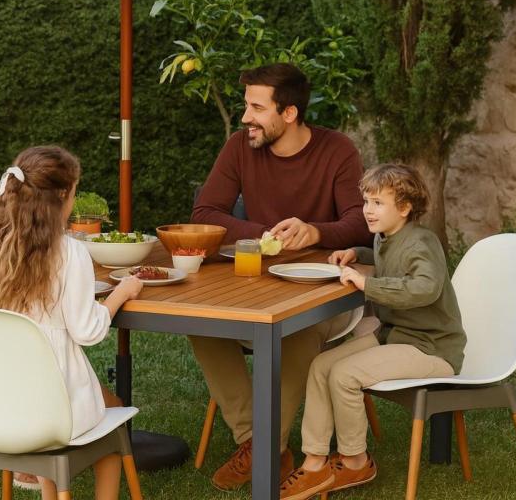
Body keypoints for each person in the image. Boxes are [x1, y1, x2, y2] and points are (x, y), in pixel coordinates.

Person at [190, 63, 372, 490]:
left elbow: (361, 224)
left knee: (296, 331)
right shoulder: (240, 147)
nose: (245, 117)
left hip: (325, 292)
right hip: (256, 284)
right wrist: (263, 234)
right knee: (203, 325)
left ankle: (264, 448)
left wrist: (316, 232)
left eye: (256, 107)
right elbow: (205, 214)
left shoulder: (337, 150)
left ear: (288, 113)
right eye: (245, 105)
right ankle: (258, 441)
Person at [279, 163, 467, 500]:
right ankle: (314, 463)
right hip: (395, 337)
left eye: (378, 202)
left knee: (345, 375)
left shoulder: (423, 241)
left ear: (405, 208)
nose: (368, 209)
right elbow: (388, 263)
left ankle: (355, 461)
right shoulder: (384, 238)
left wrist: (367, 283)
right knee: (321, 366)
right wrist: (358, 253)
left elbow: (425, 287)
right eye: (366, 201)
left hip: (431, 348)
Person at [0, 145, 143, 500]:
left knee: (68, 403)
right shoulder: (70, 253)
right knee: (114, 422)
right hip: (55, 411)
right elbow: (88, 330)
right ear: (64, 196)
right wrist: (121, 292)